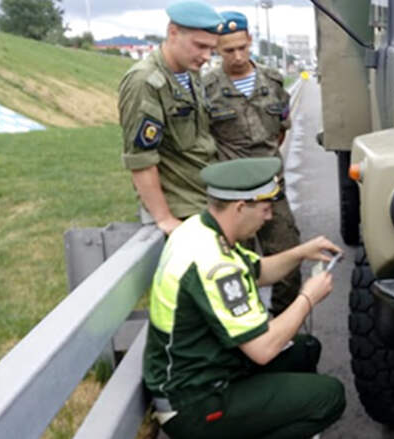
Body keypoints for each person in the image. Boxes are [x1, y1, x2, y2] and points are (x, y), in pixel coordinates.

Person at [142, 157, 346, 439]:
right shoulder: (215, 265)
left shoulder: (199, 230)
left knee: (305, 349)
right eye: (264, 208)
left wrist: (301, 252)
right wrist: (308, 298)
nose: (269, 217)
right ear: (240, 207)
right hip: (194, 403)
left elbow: (258, 271)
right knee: (330, 397)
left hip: (202, 372)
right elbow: (263, 349)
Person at [204, 11, 301, 316]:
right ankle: (248, 328)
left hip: (272, 190)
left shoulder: (272, 81)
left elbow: (282, 128)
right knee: (235, 268)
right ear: (217, 49)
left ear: (249, 41)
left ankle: (282, 327)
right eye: (228, 50)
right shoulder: (206, 89)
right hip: (233, 199)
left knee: (288, 261)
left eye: (241, 47)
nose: (236, 56)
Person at [118, 0, 223, 235]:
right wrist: (164, 219)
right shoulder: (145, 82)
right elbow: (141, 159)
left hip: (205, 196)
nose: (206, 56)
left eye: (211, 49)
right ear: (173, 33)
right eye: (199, 46)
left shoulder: (190, 74)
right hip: (182, 208)